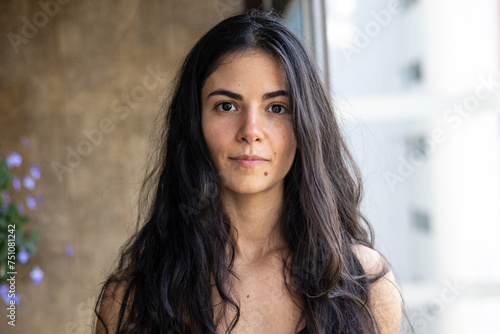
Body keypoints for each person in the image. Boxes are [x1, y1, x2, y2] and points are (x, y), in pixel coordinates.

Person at [95, 10, 402, 334]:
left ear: (306, 126)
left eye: (277, 108)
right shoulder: (132, 298)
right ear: (194, 123)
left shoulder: (365, 285)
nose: (251, 131)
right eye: (227, 106)